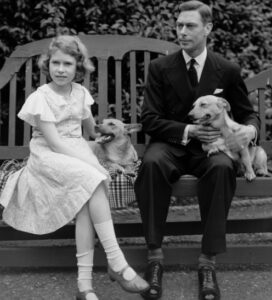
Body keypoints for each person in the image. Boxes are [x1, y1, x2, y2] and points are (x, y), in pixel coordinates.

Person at [0, 35, 149, 300]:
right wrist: (90, 162)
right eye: (55, 63)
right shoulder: (41, 97)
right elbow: (56, 143)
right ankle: (117, 262)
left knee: (85, 201)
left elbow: (91, 131)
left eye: (67, 64)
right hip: (48, 154)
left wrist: (108, 137)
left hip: (76, 151)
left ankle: (85, 285)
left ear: (78, 66)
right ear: (48, 65)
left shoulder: (80, 93)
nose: (60, 69)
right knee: (91, 177)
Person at [134, 1, 260, 300]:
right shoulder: (159, 68)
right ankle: (154, 259)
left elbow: (247, 113)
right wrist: (188, 130)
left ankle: (207, 262)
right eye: (179, 25)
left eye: (190, 25)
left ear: (208, 28)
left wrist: (250, 130)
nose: (182, 31)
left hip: (214, 146)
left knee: (222, 168)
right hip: (172, 145)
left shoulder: (227, 70)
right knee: (151, 164)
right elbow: (149, 119)